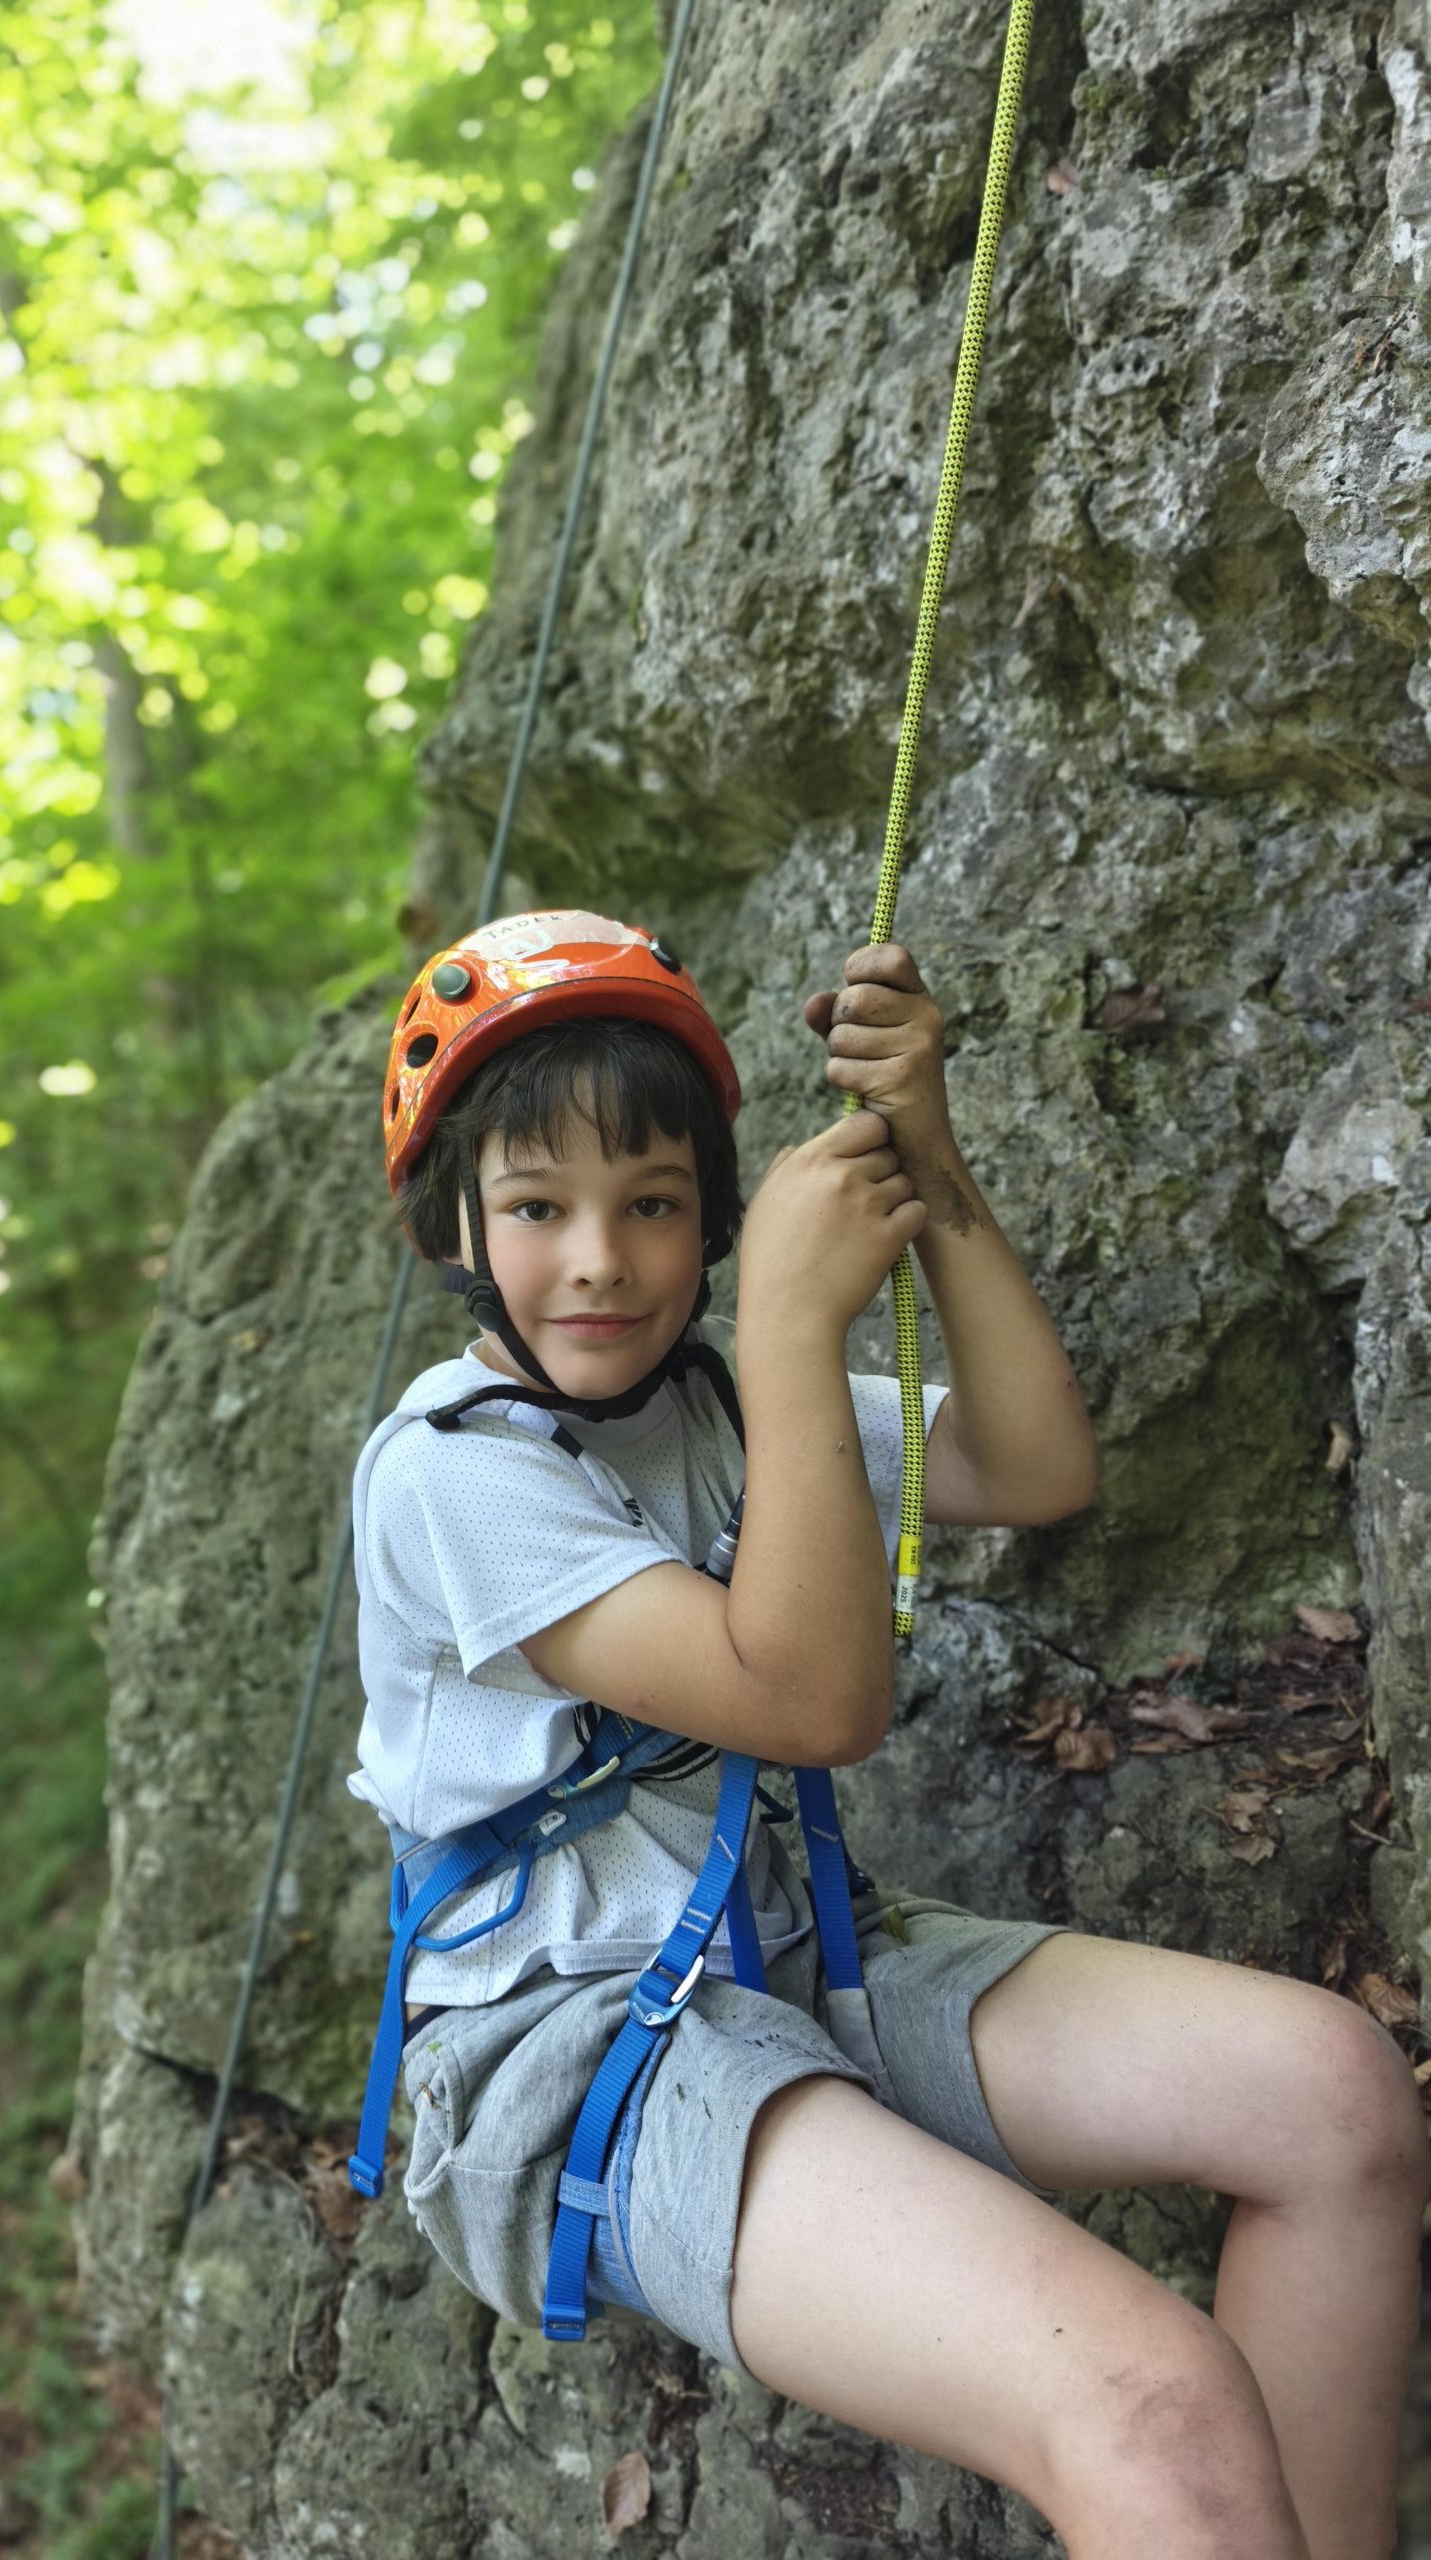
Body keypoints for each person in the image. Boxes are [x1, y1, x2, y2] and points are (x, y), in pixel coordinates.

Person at [347, 908, 1425, 2559]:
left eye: (653, 1203)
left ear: (711, 1216)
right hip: (563, 2056)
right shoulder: (452, 1474)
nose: (601, 1260)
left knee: (1333, 2102)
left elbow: (1032, 1463)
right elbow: (813, 1704)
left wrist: (930, 1159)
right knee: (1151, 2404)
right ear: (455, 1227)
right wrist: (792, 1327)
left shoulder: (715, 1406)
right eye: (538, 1206)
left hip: (788, 1953)